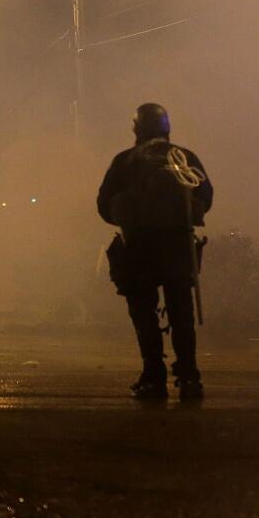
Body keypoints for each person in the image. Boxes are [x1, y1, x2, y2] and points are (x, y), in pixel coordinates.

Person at [97, 103, 213, 401]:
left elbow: (103, 204)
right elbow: (205, 196)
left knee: (144, 315)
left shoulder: (125, 161)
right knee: (181, 315)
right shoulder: (185, 158)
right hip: (177, 248)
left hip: (139, 249)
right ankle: (189, 377)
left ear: (137, 128)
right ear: (166, 127)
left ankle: (153, 378)